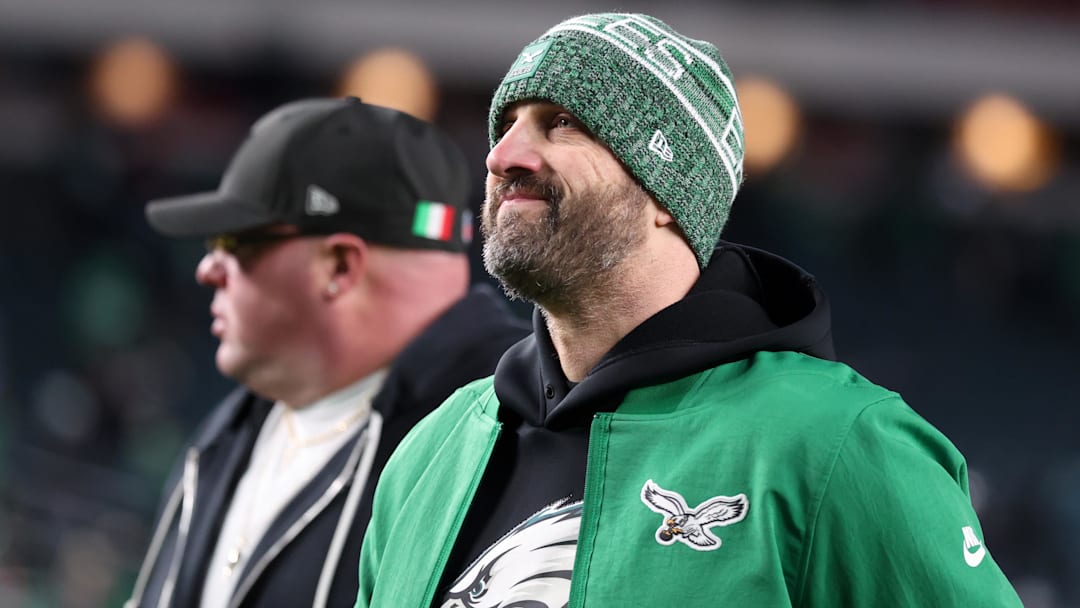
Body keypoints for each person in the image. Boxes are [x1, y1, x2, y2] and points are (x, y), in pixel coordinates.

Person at [355, 13, 1023, 608]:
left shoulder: (838, 446)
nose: (503, 156)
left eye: (561, 123)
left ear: (665, 189)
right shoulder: (434, 451)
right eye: (505, 126)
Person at [125, 97, 529, 608]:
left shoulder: (512, 434)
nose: (208, 269)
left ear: (339, 265)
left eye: (237, 242)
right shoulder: (230, 429)